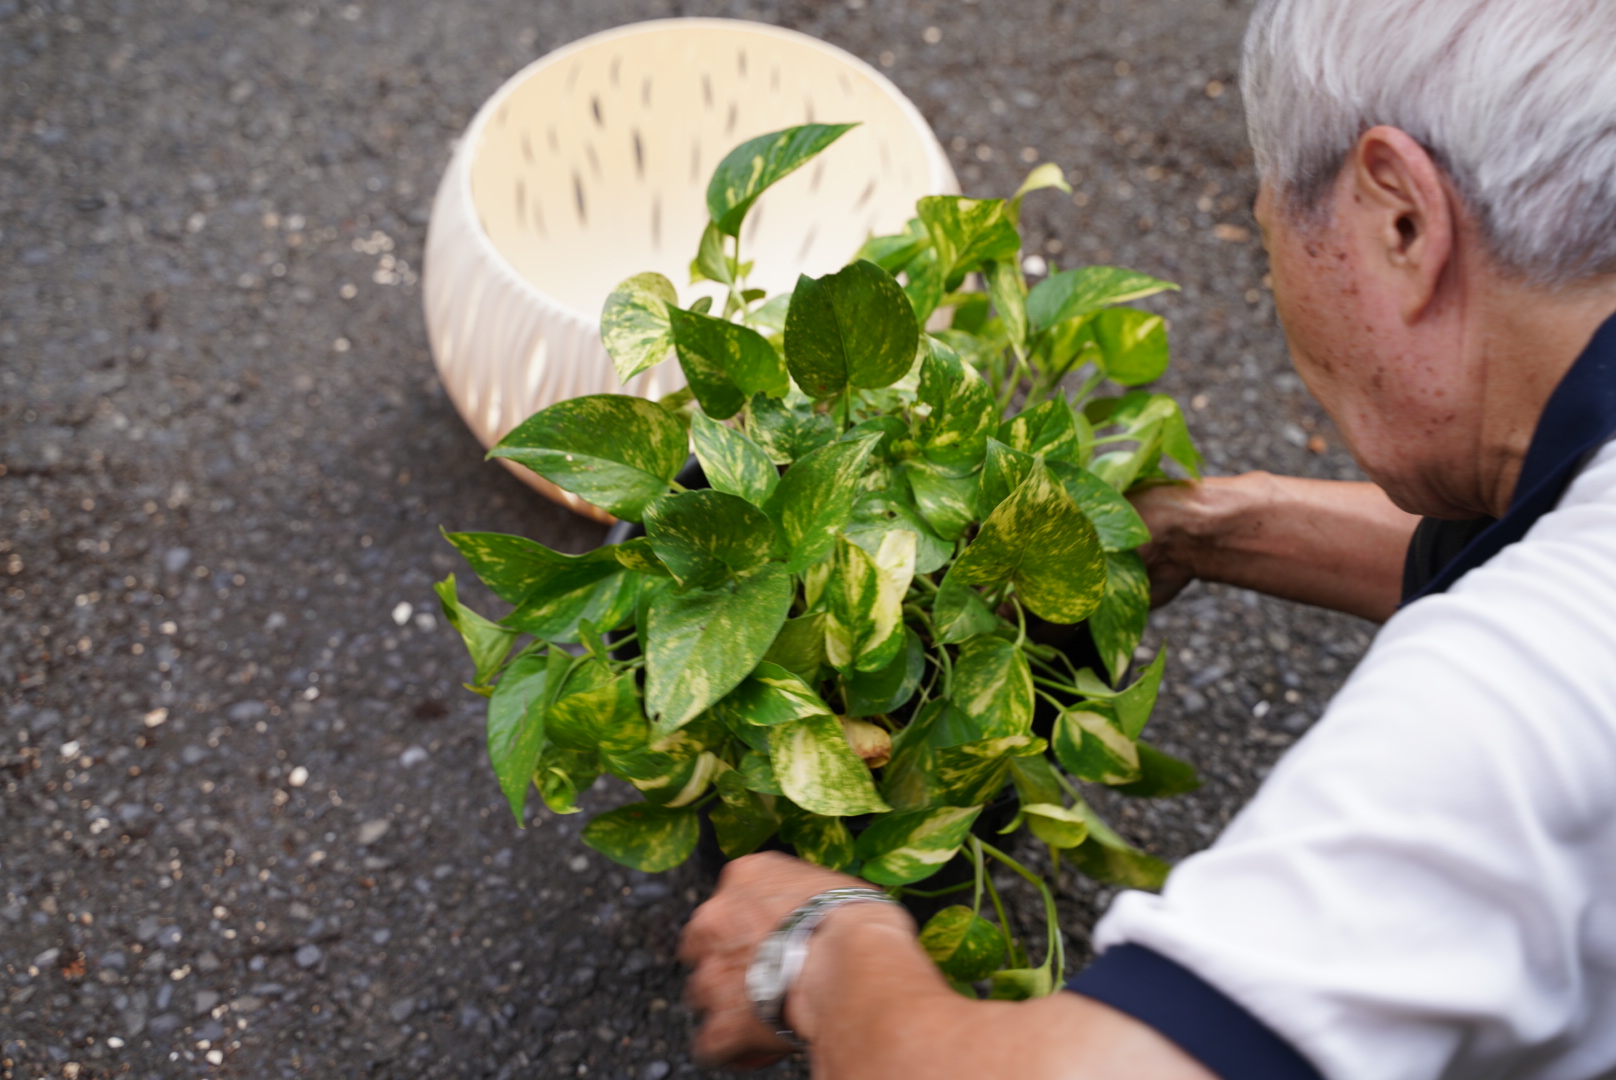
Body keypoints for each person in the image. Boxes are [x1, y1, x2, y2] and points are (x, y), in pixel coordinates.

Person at [676, 0, 1616, 1074]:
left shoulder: (1500, 712)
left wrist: (819, 948)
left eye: (1263, 210)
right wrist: (1202, 529)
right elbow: (1528, 556)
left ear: (1397, 217)